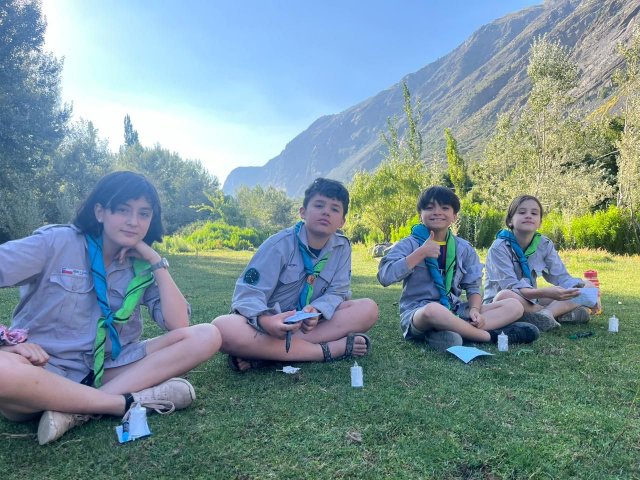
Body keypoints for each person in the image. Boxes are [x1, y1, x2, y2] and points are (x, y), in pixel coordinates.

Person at [0, 171, 221, 444]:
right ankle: (123, 403)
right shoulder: (56, 243)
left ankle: (74, 412)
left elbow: (179, 325)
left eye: (143, 213)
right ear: (100, 212)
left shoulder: (142, 265)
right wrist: (4, 342)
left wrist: (156, 261)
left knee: (207, 335)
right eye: (123, 210)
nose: (133, 221)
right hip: (44, 370)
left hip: (110, 368)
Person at [213, 178, 378, 372]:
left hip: (310, 325)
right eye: (319, 205)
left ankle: (264, 355)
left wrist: (317, 310)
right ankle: (330, 350)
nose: (326, 212)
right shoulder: (278, 245)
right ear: (303, 212)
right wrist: (267, 321)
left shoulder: (342, 247)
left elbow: (338, 291)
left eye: (334, 209)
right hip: (269, 326)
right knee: (223, 328)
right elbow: (247, 294)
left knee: (368, 309)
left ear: (342, 221)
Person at [378, 186, 538, 351]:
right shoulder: (409, 244)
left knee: (514, 305)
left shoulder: (463, 248)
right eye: (429, 208)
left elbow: (473, 287)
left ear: (454, 216)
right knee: (433, 310)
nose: (437, 212)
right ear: (420, 215)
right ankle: (489, 336)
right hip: (418, 312)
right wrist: (420, 253)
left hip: (454, 309)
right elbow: (384, 276)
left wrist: (475, 310)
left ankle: (449, 332)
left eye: (445, 208)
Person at [483, 194, 593, 331]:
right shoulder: (499, 247)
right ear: (510, 221)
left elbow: (562, 277)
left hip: (532, 300)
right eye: (522, 212)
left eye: (534, 213)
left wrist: (587, 292)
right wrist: (545, 292)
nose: (528, 216)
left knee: (588, 286)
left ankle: (546, 314)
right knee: (505, 295)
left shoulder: (544, 244)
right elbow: (512, 288)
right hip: (504, 303)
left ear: (540, 222)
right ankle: (558, 313)